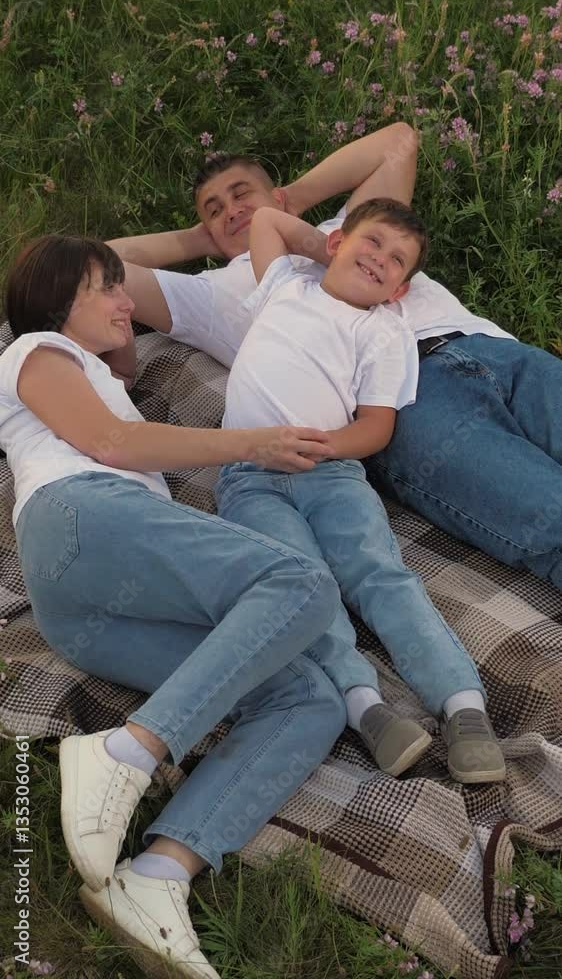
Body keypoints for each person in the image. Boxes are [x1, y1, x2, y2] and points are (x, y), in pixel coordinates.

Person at [0, 234, 353, 979]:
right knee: (299, 583)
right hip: (81, 517)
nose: (126, 299)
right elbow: (111, 443)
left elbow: (122, 398)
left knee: (307, 697)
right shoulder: (36, 349)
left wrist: (120, 331)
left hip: (85, 614)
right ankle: (127, 754)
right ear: (58, 300)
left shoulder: (102, 372)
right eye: (107, 288)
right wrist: (253, 443)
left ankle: (159, 874)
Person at [107, 126, 562, 592]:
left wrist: (301, 213)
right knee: (550, 513)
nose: (231, 210)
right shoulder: (207, 293)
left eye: (241, 194)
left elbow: (398, 141)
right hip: (413, 402)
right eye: (214, 209)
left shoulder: (355, 232)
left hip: (492, 349)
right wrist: (198, 240)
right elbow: (95, 264)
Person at [214, 197, 506, 786]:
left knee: (378, 571)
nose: (379, 259)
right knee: (300, 582)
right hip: (248, 475)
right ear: (336, 242)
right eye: (372, 242)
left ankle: (462, 706)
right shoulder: (285, 287)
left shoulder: (382, 331)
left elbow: (377, 426)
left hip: (332, 473)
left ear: (400, 290)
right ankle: (364, 706)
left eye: (396, 261)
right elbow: (267, 220)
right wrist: (335, 248)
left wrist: (326, 446)